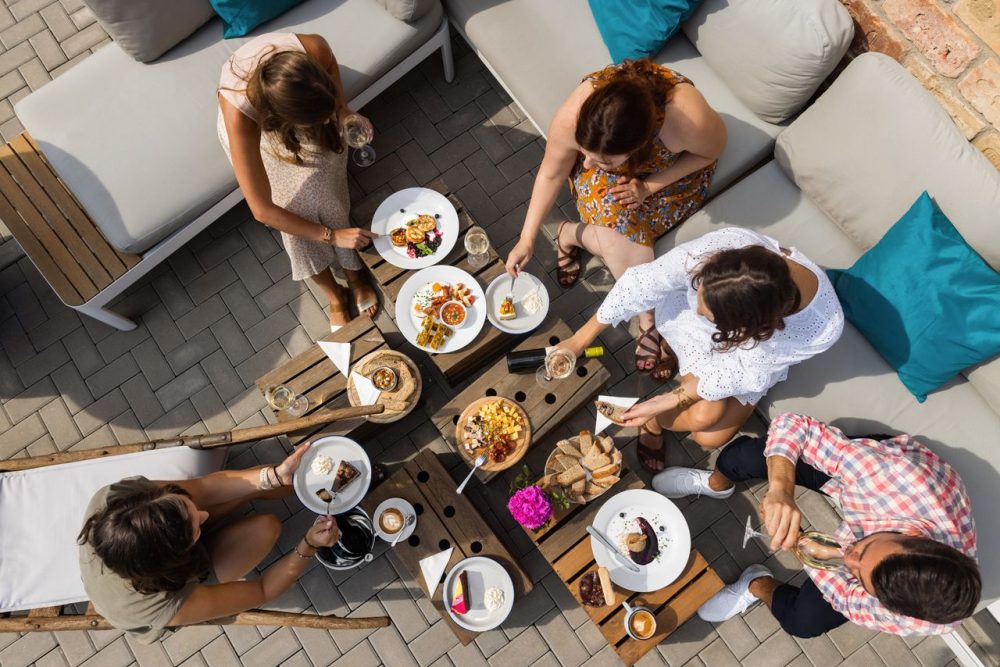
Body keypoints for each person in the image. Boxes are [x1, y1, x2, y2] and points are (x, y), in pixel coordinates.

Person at [658, 413, 980, 638]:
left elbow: (847, 600)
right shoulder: (886, 476)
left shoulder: (921, 616)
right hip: (870, 481)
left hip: (876, 511)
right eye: (864, 547)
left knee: (803, 623)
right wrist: (781, 490)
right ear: (911, 535)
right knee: (742, 458)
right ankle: (718, 482)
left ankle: (755, 584)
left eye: (858, 575)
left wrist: (801, 545)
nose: (848, 554)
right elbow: (793, 426)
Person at [504, 59, 726, 379]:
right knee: (619, 232)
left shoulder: (688, 120)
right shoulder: (575, 117)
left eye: (603, 162)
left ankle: (571, 235)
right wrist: (526, 238)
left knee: (621, 237)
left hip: (666, 177)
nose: (589, 167)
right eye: (585, 153)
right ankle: (648, 316)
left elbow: (711, 152)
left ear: (639, 144)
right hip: (621, 185)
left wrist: (649, 186)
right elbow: (552, 173)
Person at [556, 227, 843, 472]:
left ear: (748, 327)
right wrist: (579, 341)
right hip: (700, 334)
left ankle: (653, 421)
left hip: (749, 364)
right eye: (700, 291)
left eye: (709, 315)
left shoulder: (822, 328)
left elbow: (741, 370)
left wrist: (667, 400)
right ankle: (670, 354)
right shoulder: (727, 248)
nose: (698, 309)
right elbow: (642, 284)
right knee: (707, 413)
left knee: (710, 436)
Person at [78, 444, 338, 642]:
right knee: (267, 527)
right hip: (177, 583)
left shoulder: (116, 500)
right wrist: (309, 544)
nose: (204, 515)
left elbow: (203, 488)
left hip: (160, 558)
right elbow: (261, 590)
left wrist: (271, 476)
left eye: (187, 508)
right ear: (179, 555)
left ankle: (318, 486)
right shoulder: (161, 605)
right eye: (195, 528)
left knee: (255, 487)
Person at [218, 32, 378, 332]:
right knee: (290, 214)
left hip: (301, 106)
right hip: (260, 134)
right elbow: (262, 210)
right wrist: (332, 235)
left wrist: (343, 110)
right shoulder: (241, 116)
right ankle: (334, 295)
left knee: (325, 196)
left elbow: (330, 70)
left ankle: (354, 274)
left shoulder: (314, 48)